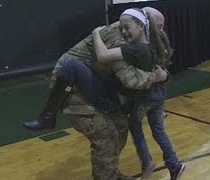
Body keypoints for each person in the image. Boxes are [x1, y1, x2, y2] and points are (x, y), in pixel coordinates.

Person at [23, 7, 169, 180]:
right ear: (143, 23)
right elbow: (130, 79)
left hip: (94, 80)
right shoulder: (120, 38)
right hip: (71, 83)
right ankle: (48, 116)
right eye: (157, 27)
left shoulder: (136, 36)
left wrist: (163, 75)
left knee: (120, 126)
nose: (160, 32)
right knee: (106, 134)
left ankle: (110, 174)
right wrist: (156, 77)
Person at [92, 8, 185, 180]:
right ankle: (173, 164)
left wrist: (96, 33)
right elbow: (162, 68)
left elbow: (104, 56)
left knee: (135, 127)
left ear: (142, 25)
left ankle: (147, 162)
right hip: (159, 95)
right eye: (158, 25)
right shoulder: (158, 43)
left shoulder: (137, 48)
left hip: (146, 96)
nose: (160, 28)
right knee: (158, 131)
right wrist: (164, 77)